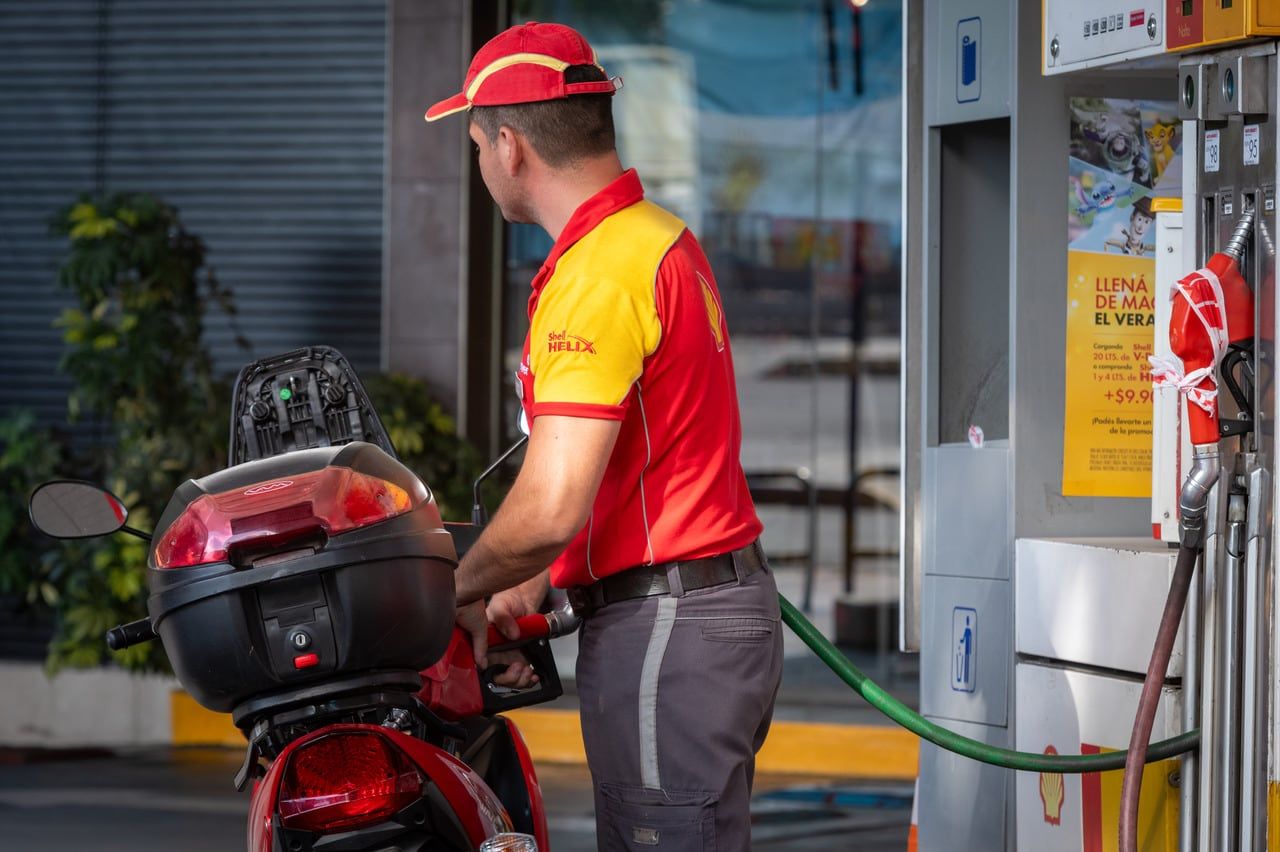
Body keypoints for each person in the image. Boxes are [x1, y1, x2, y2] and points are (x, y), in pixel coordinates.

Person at [425, 21, 783, 850]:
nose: (480, 166)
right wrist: (530, 585)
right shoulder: (656, 239)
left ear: (509, 146)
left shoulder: (599, 275)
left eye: (476, 145)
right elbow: (636, 465)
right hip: (703, 613)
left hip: (670, 627)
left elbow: (552, 504)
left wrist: (455, 593)